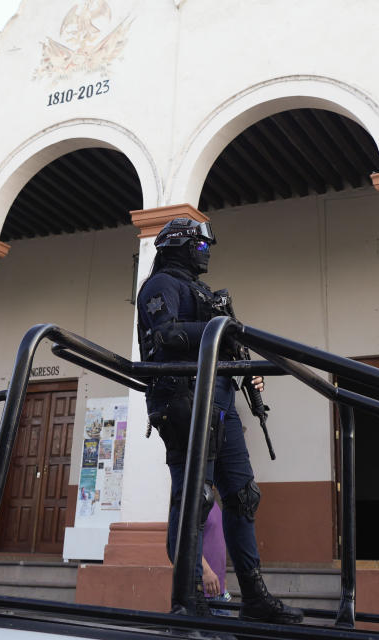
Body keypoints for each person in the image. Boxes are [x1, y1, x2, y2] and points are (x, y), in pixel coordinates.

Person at [137, 217, 302, 623]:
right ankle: (189, 592)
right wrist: (219, 329)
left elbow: (217, 343)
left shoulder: (200, 290)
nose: (206, 251)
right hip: (182, 400)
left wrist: (240, 363)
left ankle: (254, 594)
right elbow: (166, 336)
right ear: (179, 245)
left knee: (243, 496)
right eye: (200, 244)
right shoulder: (161, 286)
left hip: (221, 402)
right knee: (194, 498)